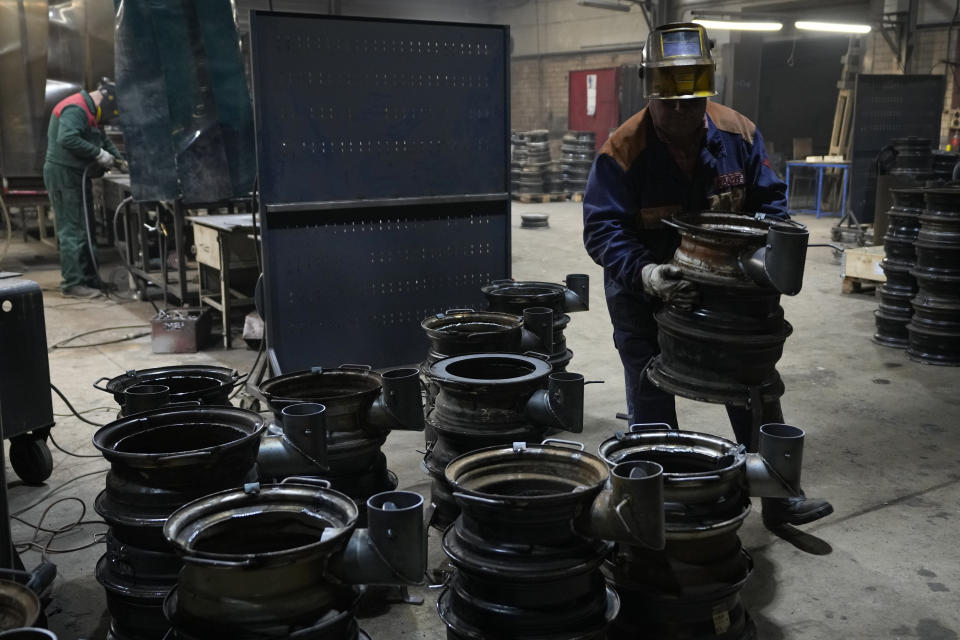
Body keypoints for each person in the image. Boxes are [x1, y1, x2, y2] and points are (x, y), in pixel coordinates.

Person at [582, 22, 833, 529]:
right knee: (652, 392)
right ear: (649, 93)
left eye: (691, 103)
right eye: (669, 103)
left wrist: (771, 248)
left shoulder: (738, 132)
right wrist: (647, 272)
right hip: (647, 293)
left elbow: (770, 201)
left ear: (706, 94)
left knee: (754, 385)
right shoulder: (622, 150)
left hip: (731, 296)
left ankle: (779, 498)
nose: (680, 113)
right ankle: (667, 511)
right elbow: (602, 228)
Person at [43, 78, 123, 298]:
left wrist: (120, 162)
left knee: (86, 227)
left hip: (77, 176)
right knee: (73, 229)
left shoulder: (91, 111)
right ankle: (73, 283)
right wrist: (97, 154)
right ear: (107, 102)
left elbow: (104, 141)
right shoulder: (75, 108)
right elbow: (67, 138)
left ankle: (89, 279)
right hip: (64, 175)